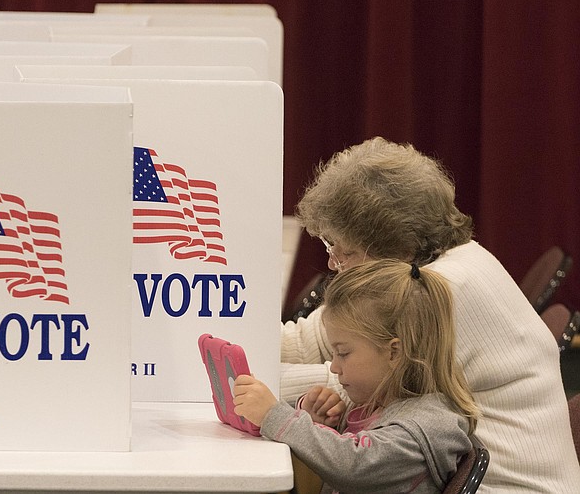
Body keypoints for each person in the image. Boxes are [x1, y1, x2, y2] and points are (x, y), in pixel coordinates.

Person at [281, 137, 580, 492]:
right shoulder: (427, 267)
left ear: (388, 245)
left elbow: (349, 388)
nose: (334, 264)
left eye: (344, 250)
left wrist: (243, 391)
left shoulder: (438, 288)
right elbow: (307, 343)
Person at [235, 259, 479, 493]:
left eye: (343, 353)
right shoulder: (374, 403)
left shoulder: (425, 428)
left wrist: (274, 416)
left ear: (394, 352)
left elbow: (353, 464)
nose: (334, 367)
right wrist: (317, 419)